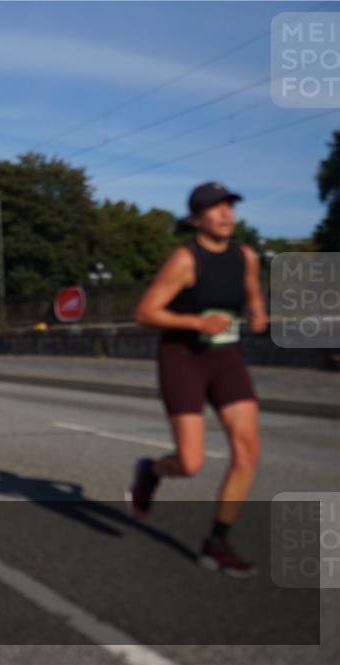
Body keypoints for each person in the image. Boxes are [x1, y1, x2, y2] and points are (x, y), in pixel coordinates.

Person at [130, 181, 267, 578]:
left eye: (229, 206)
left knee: (247, 452)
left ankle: (217, 543)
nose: (225, 214)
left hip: (224, 357)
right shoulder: (185, 260)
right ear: (195, 219)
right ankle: (151, 473)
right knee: (190, 463)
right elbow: (145, 313)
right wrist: (196, 321)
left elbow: (253, 294)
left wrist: (258, 313)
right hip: (183, 358)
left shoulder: (246, 256)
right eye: (214, 208)